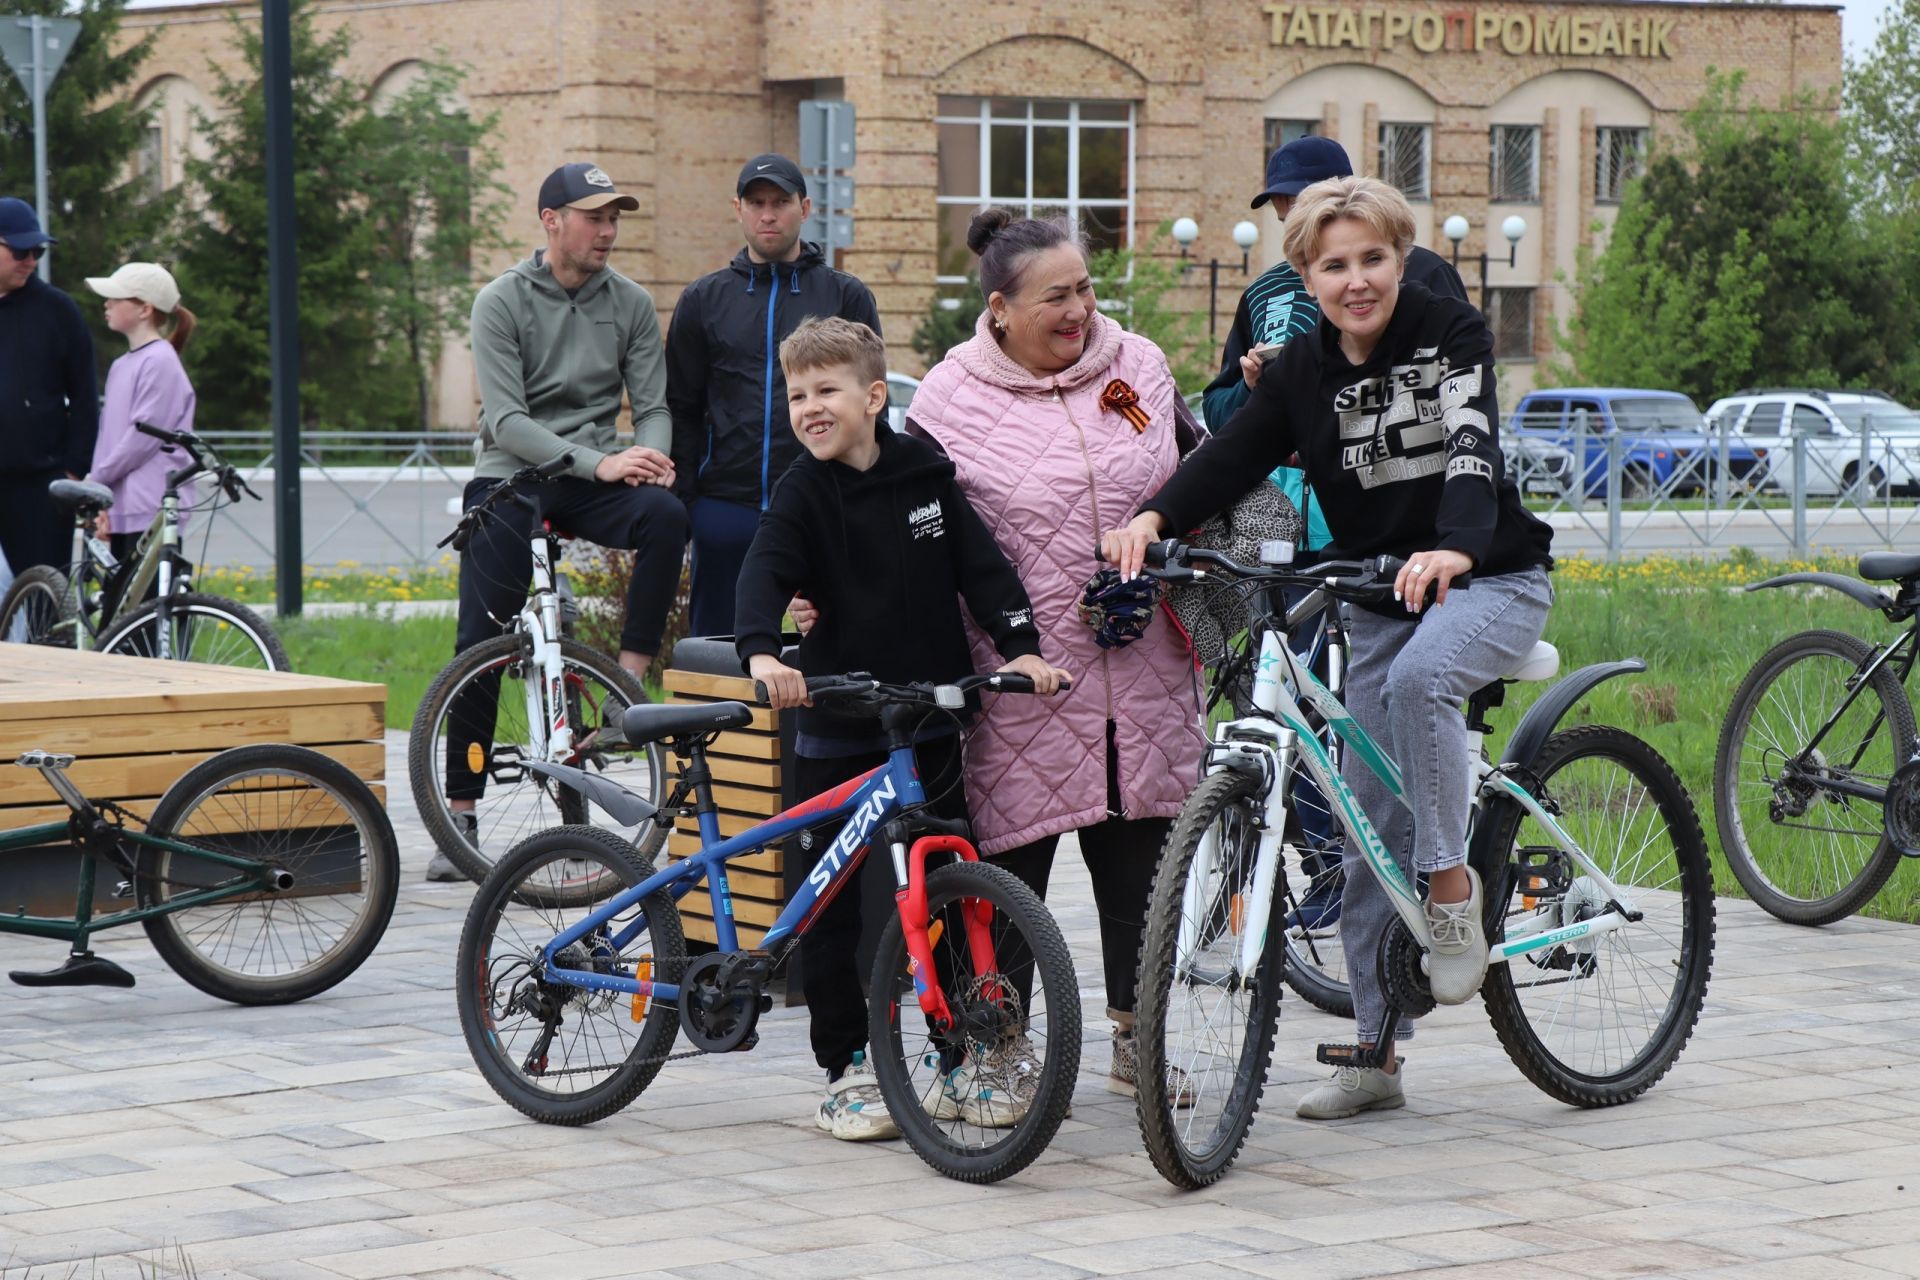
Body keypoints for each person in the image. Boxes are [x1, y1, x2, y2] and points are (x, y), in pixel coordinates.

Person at [1105, 177, 1554, 1122]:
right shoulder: (1302, 368)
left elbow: (1474, 449)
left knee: (1430, 680)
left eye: (1374, 259)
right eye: (1334, 265)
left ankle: (1448, 883)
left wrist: (1458, 545)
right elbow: (1231, 455)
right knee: (1359, 824)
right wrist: (1154, 515)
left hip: (1492, 577)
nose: (1358, 281)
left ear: (1401, 258)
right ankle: (1377, 1053)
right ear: (1305, 276)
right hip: (1379, 593)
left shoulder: (1449, 333)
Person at [734, 316, 1068, 1141]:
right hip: (838, 728)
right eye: (797, 394)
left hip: (927, 722)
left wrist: (1022, 650)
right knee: (839, 913)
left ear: (874, 396)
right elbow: (765, 565)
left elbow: (982, 568)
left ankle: (956, 1059)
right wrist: (762, 653)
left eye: (827, 390)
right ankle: (848, 1065)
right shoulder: (802, 490)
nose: (809, 407)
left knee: (942, 900)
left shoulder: (926, 475)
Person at [907, 209, 1208, 1102]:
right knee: (1002, 871)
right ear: (999, 308)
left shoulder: (1139, 365)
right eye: (1056, 297)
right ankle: (993, 1050)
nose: (1079, 310)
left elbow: (1196, 475)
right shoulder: (947, 399)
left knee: (1143, 857)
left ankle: (1135, 1037)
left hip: (1144, 659)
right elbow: (904, 528)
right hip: (1018, 675)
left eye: (1084, 288)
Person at [1202, 136, 1470, 936]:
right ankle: (1304, 871)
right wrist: (1257, 391)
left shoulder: (1417, 275)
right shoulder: (1266, 291)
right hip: (1289, 535)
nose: (1293, 215)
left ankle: (1411, 866)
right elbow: (1217, 417)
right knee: (1286, 703)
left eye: (1303, 197)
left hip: (1388, 534)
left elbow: (1451, 396)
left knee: (1376, 707)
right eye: (1281, 205)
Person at [441, 161, 688, 881]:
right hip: (513, 474)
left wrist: (652, 458)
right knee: (479, 637)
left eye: (615, 219)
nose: (609, 231)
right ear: (551, 221)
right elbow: (508, 420)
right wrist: (599, 462)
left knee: (667, 516)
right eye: (595, 217)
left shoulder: (633, 303)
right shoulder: (501, 300)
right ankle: (461, 804)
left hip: (592, 474)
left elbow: (655, 407)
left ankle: (625, 690)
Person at [667, 154, 883, 639]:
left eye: (781, 202)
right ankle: (715, 722)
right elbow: (681, 404)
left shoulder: (845, 296)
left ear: (804, 208)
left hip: (822, 502)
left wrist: (863, 494)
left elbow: (871, 406)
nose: (768, 214)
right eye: (756, 202)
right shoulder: (703, 300)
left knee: (840, 645)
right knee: (717, 654)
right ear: (737, 209)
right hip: (726, 507)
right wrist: (690, 503)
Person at [84, 263, 198, 594]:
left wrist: (97, 481)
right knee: (119, 613)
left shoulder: (160, 361)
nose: (106, 304)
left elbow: (141, 439)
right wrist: (100, 498)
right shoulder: (124, 364)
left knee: (142, 617)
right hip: (122, 505)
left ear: (144, 309)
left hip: (149, 508)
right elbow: (109, 438)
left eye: (114, 298)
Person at [0, 197, 97, 575]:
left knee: (43, 598)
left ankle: (41, 640)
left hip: (41, 485)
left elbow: (87, 395)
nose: (31, 260)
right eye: (21, 250)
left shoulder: (58, 310)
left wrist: (73, 471)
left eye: (37, 250)